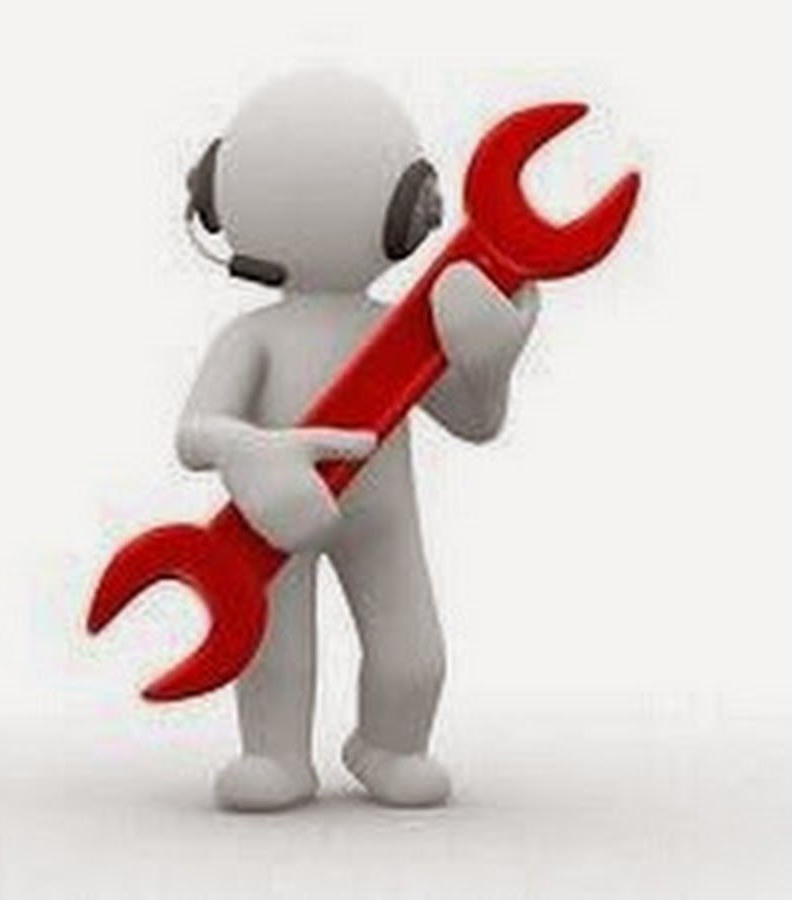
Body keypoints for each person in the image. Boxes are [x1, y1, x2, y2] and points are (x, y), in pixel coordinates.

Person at [177, 70, 538, 810]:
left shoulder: (400, 335)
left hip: (382, 521)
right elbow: (195, 433)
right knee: (275, 652)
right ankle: (274, 756)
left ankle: (389, 745)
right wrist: (250, 451)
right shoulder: (253, 337)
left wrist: (490, 364)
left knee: (415, 659)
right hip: (274, 517)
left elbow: (475, 422)